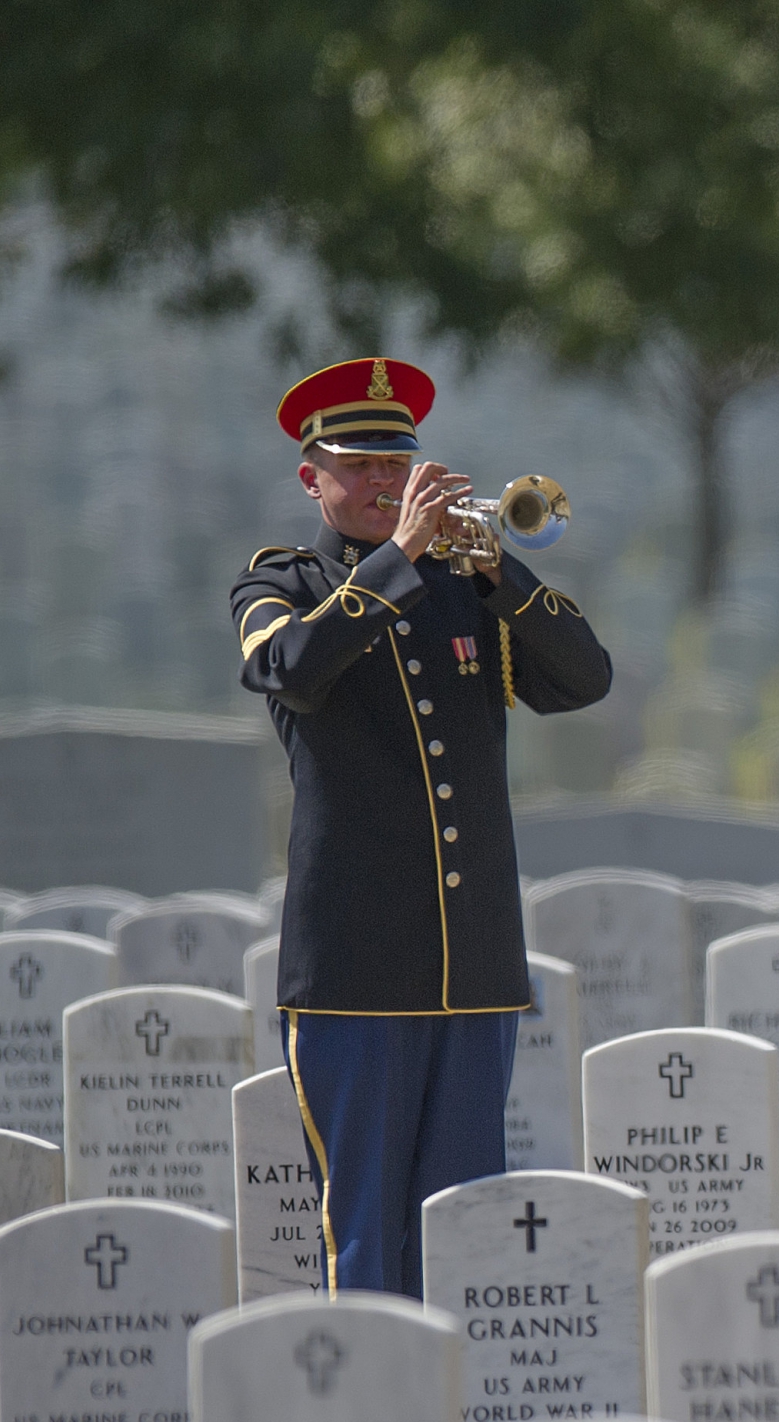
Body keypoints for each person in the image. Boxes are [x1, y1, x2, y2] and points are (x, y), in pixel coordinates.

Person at [231, 357, 612, 1296]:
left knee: (465, 1226)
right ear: (310, 477)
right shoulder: (282, 580)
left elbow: (583, 680)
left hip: (473, 963)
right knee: (364, 1232)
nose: (379, 482)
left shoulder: (462, 589)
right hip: (354, 969)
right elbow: (293, 667)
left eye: (394, 462)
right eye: (355, 465)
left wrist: (499, 571)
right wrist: (398, 560)